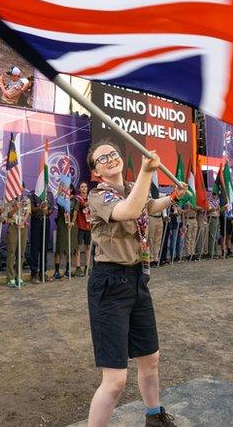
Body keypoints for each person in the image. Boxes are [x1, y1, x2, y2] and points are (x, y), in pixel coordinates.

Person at [84, 141, 184, 427]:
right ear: (96, 172)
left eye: (113, 154)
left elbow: (149, 205)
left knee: (150, 358)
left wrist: (174, 196)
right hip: (109, 285)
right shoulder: (98, 195)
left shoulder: (131, 187)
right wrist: (146, 172)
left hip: (137, 279)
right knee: (115, 380)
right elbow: (129, 210)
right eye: (102, 159)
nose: (110, 159)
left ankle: (154, 418)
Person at [28, 187, 55, 283]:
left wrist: (48, 212)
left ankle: (43, 272)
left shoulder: (49, 194)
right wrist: (40, 208)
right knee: (35, 249)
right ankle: (34, 274)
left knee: (44, 248)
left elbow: (52, 207)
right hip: (36, 221)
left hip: (46, 221)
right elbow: (30, 209)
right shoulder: (32, 194)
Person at [4, 193, 31, 288]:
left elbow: (27, 212)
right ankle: (10, 278)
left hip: (23, 227)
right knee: (11, 252)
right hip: (13, 226)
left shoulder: (26, 200)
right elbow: (8, 214)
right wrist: (15, 207)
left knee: (21, 253)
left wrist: (22, 222)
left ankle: (19, 276)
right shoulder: (9, 199)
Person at [54, 190, 79, 279]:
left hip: (71, 227)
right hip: (62, 225)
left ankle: (68, 270)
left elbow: (75, 213)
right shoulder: (61, 200)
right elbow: (62, 211)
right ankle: (56, 271)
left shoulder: (75, 201)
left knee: (70, 248)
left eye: (70, 190)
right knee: (60, 248)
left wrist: (72, 222)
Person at [74, 181, 91, 276]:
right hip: (80, 225)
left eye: (85, 187)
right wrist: (93, 200)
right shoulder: (78, 198)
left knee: (88, 247)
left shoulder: (90, 198)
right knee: (79, 247)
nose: (84, 188)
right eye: (82, 187)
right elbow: (83, 205)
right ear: (79, 189)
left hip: (89, 225)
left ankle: (87, 266)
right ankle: (78, 267)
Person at [207, 191, 221, 259]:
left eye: (216, 195)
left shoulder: (218, 200)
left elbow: (219, 209)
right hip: (211, 218)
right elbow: (208, 210)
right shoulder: (209, 200)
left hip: (217, 217)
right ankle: (211, 252)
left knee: (216, 236)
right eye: (214, 195)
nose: (215, 196)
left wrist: (221, 209)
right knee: (212, 236)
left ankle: (215, 252)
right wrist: (214, 208)